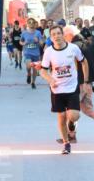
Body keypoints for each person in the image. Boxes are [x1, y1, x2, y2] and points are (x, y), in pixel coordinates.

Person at [38, 24, 88, 155]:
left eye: (58, 33)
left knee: (74, 115)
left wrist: (86, 81)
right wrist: (51, 80)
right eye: (53, 34)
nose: (56, 36)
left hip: (72, 87)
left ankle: (71, 123)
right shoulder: (49, 51)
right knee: (61, 116)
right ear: (51, 37)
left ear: (63, 35)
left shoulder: (73, 48)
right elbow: (43, 71)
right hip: (57, 89)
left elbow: (83, 62)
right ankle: (66, 143)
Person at [21, 18, 45, 89]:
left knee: (35, 69)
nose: (31, 24)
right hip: (27, 52)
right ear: (27, 24)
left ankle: (33, 82)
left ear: (35, 24)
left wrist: (38, 41)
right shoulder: (24, 33)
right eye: (29, 22)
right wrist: (23, 43)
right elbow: (20, 41)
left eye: (33, 22)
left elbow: (41, 44)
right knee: (28, 66)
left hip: (36, 53)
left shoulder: (38, 33)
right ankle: (28, 74)